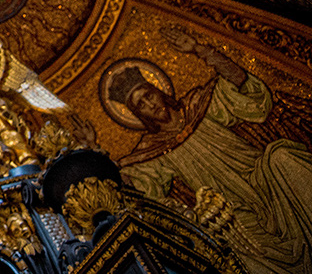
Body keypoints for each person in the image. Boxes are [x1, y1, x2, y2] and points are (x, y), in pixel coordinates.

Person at [112, 28, 312, 274]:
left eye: (149, 95)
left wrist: (202, 51)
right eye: (141, 106)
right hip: (232, 210)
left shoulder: (200, 104)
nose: (150, 105)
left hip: (262, 176)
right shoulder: (150, 151)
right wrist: (96, 154)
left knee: (283, 157)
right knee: (234, 241)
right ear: (138, 116)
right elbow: (143, 191)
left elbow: (247, 93)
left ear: (159, 91)